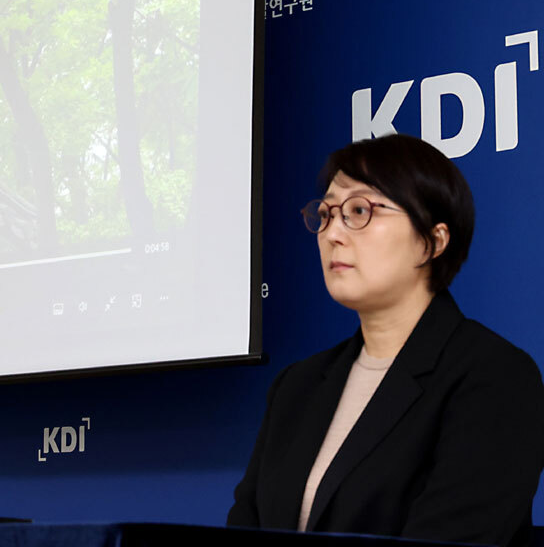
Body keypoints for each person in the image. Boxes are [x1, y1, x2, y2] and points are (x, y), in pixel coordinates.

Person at [227, 134, 544, 547]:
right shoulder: (296, 386)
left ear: (432, 241)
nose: (331, 234)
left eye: (359, 211)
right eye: (325, 215)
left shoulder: (495, 377)